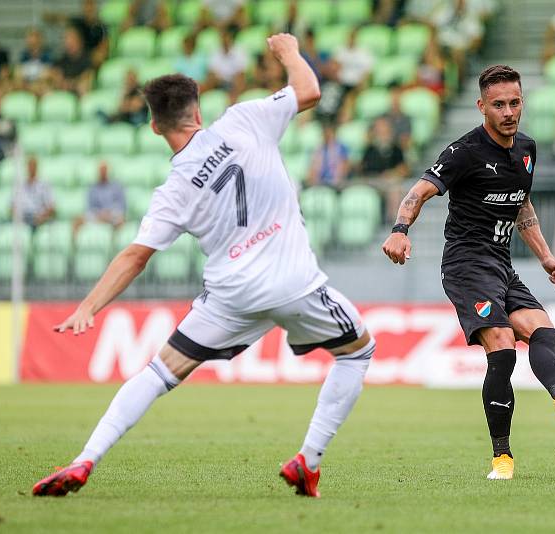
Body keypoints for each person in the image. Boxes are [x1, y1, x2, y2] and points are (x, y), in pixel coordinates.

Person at [32, 33, 374, 499]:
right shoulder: (245, 119)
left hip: (231, 296)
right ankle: (307, 461)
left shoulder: (172, 190)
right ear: (198, 110)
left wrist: (88, 306)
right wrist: (289, 52)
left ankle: (84, 459)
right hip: (293, 283)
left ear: (155, 128)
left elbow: (135, 255)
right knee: (357, 351)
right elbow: (310, 90)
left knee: (158, 372)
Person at [381, 65, 555, 481]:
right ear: (482, 107)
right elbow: (417, 192)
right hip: (466, 264)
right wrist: (400, 231)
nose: (509, 112)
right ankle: (502, 459)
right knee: (504, 346)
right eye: (498, 105)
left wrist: (546, 256)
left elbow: (521, 204)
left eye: (514, 103)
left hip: (501, 263)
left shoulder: (526, 149)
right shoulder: (464, 152)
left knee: (544, 330)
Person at [73, 161, 126, 233]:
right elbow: (89, 207)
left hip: (112, 215)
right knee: (78, 220)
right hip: (97, 215)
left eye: (104, 170)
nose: (103, 173)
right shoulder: (92, 188)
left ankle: (114, 241)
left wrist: (109, 213)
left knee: (120, 220)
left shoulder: (116, 187)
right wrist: (100, 213)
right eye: (101, 170)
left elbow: (121, 206)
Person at [13, 157, 55, 230]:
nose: (31, 168)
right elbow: (12, 206)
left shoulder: (44, 185)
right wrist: (18, 216)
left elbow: (51, 207)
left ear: (37, 167)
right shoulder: (20, 185)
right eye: (29, 166)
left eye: (33, 166)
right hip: (24, 218)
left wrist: (41, 217)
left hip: (38, 218)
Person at [51, 27, 94, 95]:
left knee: (84, 86)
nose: (68, 43)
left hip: (79, 89)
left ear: (79, 41)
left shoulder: (88, 57)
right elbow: (54, 72)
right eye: (66, 40)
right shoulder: (62, 59)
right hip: (63, 90)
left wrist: (72, 84)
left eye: (71, 40)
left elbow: (88, 75)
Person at [307, 122, 350, 187]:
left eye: (329, 134)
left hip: (336, 182)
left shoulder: (341, 148)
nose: (327, 136)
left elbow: (345, 165)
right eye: (325, 134)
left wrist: (338, 180)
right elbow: (313, 166)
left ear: (334, 134)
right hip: (320, 182)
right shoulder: (318, 149)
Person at [14, 28, 53, 96]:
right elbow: (18, 74)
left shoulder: (48, 56)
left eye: (35, 40)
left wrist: (35, 86)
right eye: (30, 40)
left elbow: (47, 75)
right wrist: (27, 86)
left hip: (42, 88)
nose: (33, 42)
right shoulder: (23, 57)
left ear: (40, 41)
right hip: (26, 87)